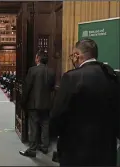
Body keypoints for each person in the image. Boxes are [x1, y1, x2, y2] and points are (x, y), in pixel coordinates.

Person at [50, 38, 120, 166]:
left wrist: (55, 135)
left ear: (77, 55)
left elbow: (58, 114)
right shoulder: (112, 76)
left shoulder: (71, 77)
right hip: (106, 149)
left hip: (76, 149)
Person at [19, 50, 56, 157]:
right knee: (45, 125)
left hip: (34, 104)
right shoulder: (51, 71)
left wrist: (23, 102)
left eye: (36, 57)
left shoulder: (32, 70)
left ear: (38, 59)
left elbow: (27, 87)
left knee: (33, 127)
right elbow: (52, 88)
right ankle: (44, 147)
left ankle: (32, 149)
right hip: (47, 104)